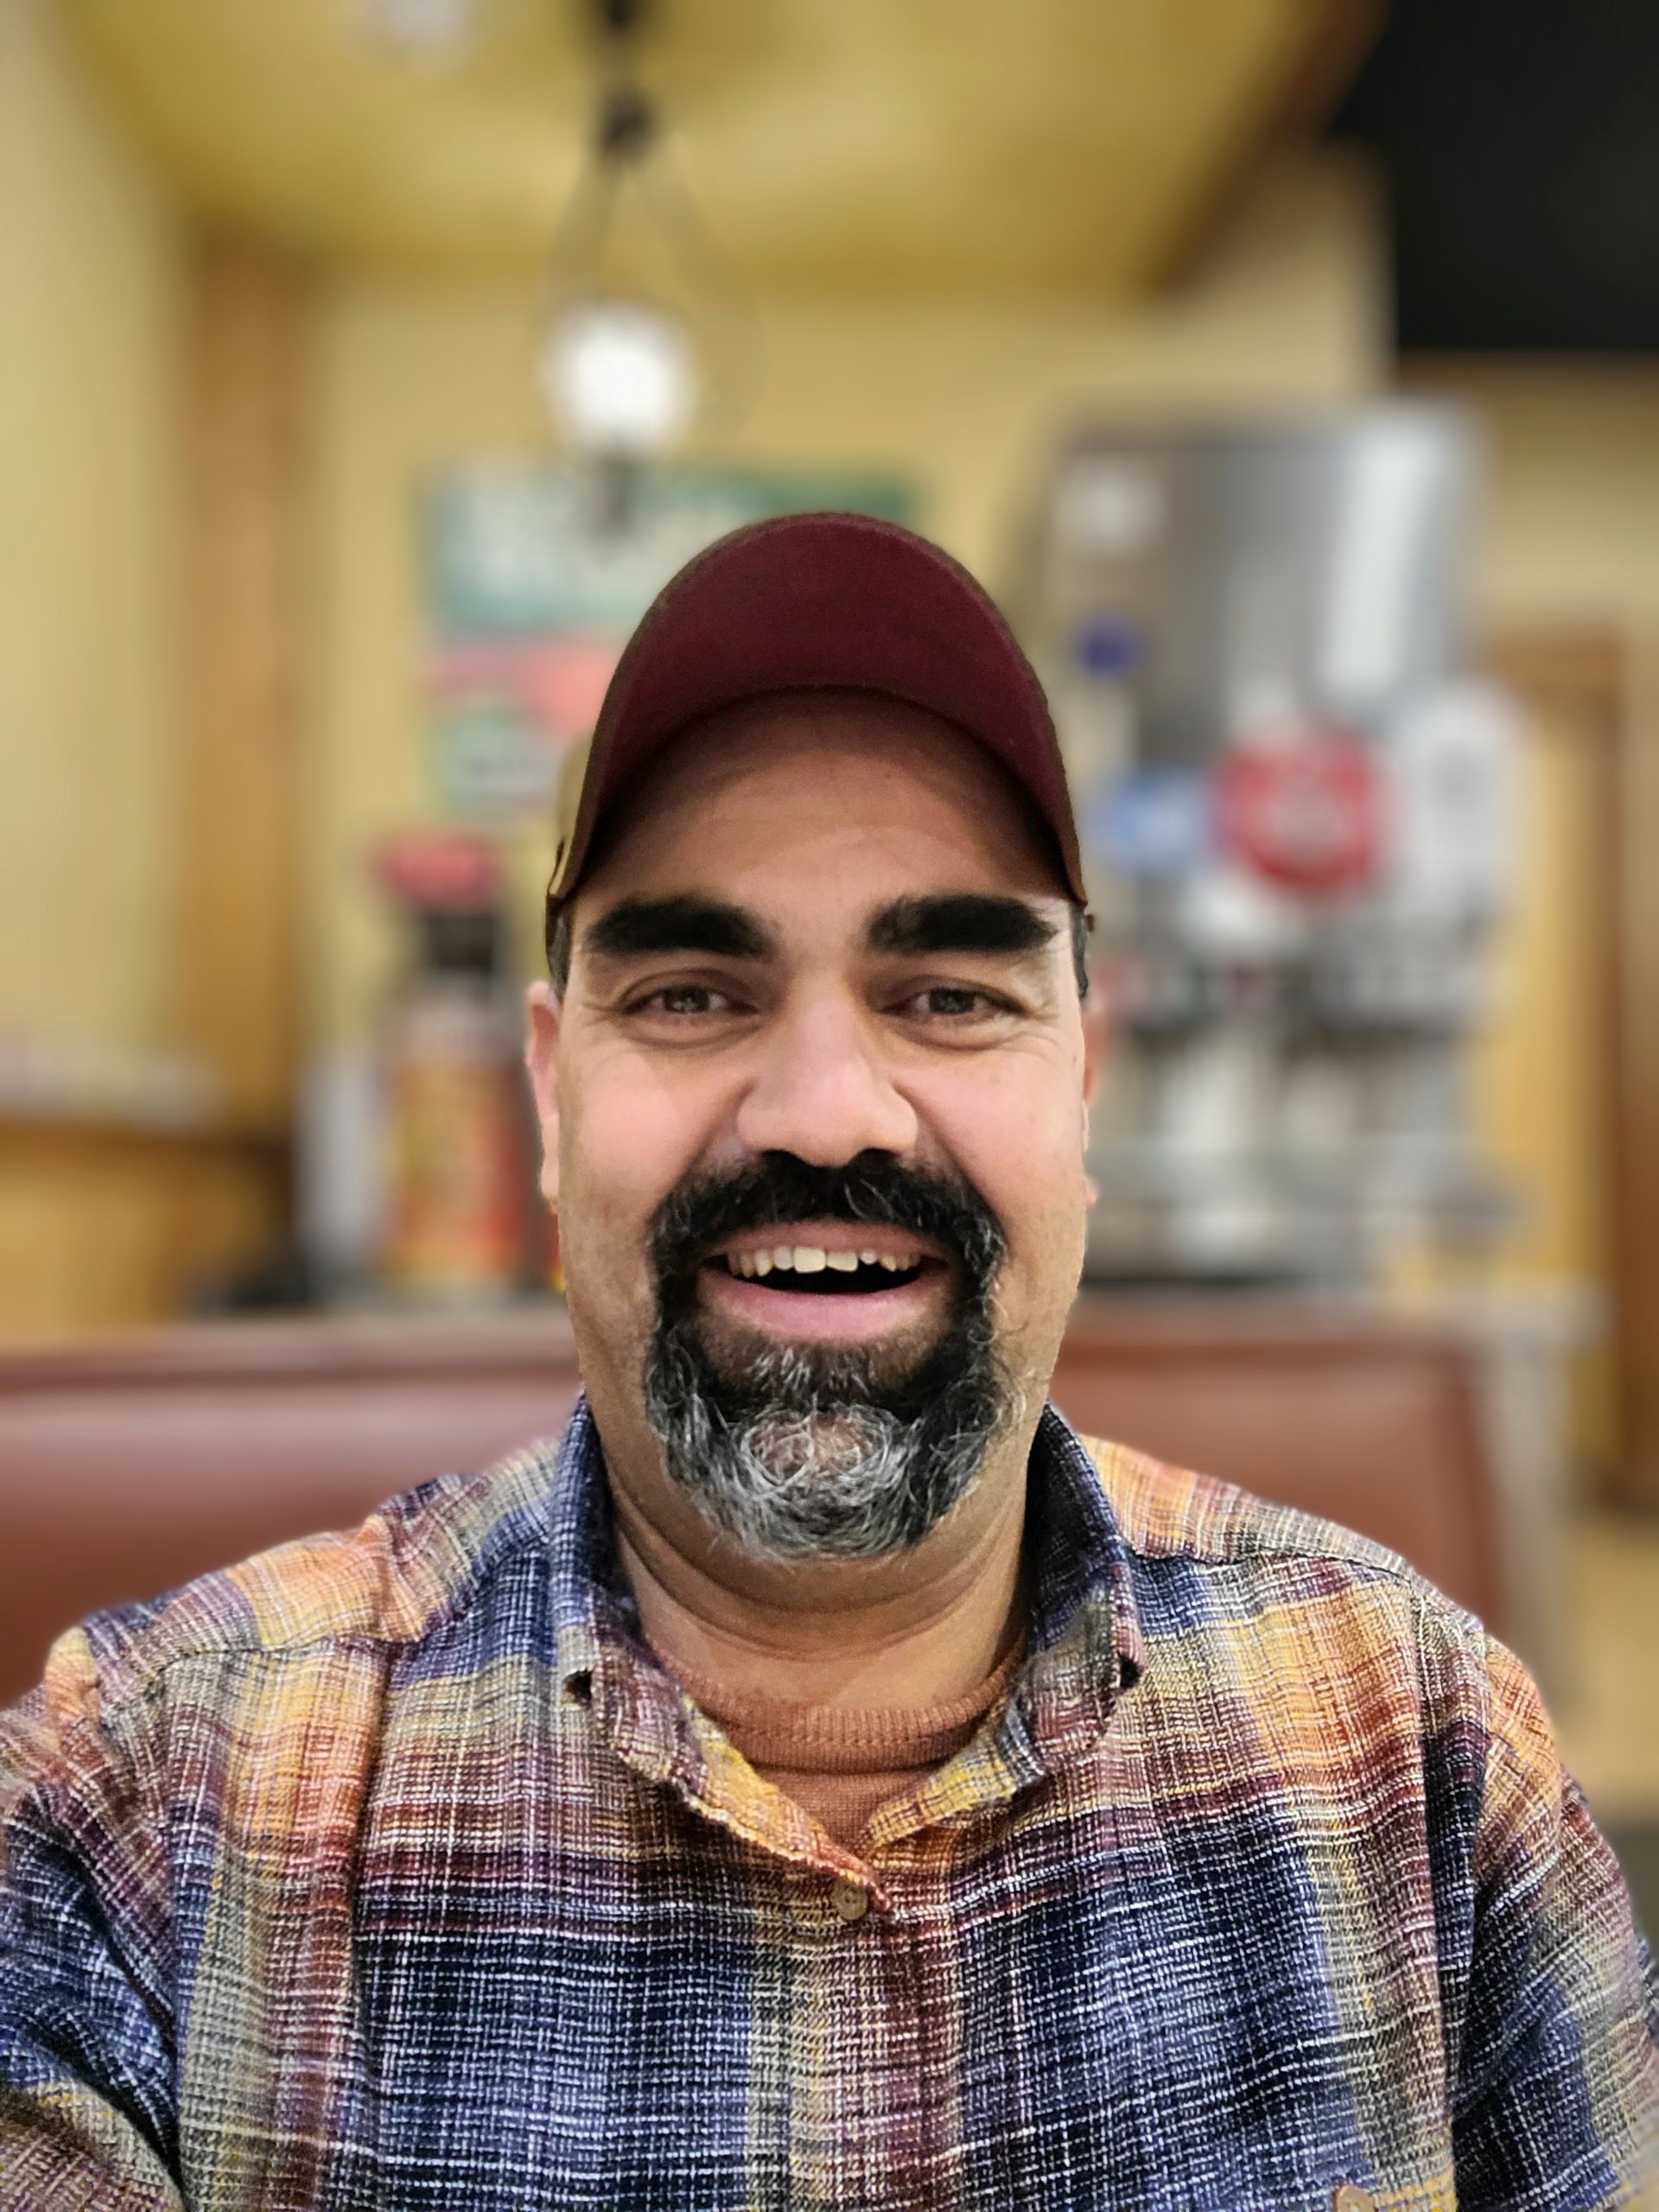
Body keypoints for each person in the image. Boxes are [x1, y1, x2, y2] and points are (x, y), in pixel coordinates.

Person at [1, 512, 1654, 2212]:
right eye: (691, 994)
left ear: (1083, 1084)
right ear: (552, 1093)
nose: (824, 1111)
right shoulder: (136, 1819)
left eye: (948, 995)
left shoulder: (1423, 1741)